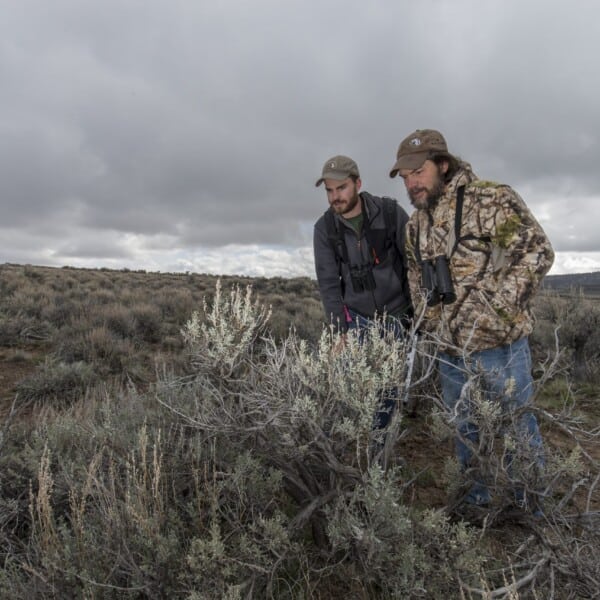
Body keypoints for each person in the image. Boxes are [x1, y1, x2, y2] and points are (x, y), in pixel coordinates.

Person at [388, 129, 554, 511]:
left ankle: (529, 507)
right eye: (405, 176)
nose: (411, 182)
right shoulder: (416, 225)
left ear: (443, 165)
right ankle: (472, 501)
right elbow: (416, 276)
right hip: (448, 350)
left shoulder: (492, 199)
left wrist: (494, 312)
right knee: (464, 428)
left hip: (500, 348)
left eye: (418, 171)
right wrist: (431, 321)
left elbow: (537, 252)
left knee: (517, 427)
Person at [313, 155, 413, 434]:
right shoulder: (324, 228)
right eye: (329, 191)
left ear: (357, 183)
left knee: (390, 391)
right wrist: (339, 331)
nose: (335, 197)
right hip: (357, 320)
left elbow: (414, 263)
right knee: (358, 390)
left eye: (341, 188)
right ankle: (363, 449)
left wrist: (420, 315)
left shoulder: (390, 213)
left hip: (398, 316)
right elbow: (329, 283)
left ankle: (381, 449)